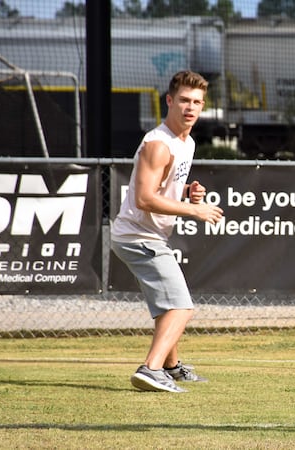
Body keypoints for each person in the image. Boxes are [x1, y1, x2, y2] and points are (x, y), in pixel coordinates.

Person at [111, 70, 224, 393]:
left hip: (145, 236)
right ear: (170, 101)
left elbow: (163, 185)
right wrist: (195, 210)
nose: (191, 108)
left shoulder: (185, 142)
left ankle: (172, 366)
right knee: (181, 307)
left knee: (167, 305)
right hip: (137, 237)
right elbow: (144, 198)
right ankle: (151, 369)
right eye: (185, 101)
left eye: (197, 103)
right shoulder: (159, 145)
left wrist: (187, 191)